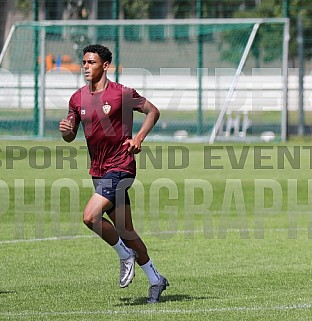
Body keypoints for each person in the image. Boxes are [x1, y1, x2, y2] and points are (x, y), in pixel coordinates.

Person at [59, 44, 169, 303]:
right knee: (127, 231)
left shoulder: (122, 93)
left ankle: (124, 255)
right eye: (84, 62)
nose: (86, 67)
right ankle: (156, 280)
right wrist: (65, 131)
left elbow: (153, 111)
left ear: (105, 65)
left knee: (90, 217)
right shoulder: (77, 99)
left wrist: (139, 138)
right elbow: (69, 135)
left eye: (91, 62)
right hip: (98, 170)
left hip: (121, 166)